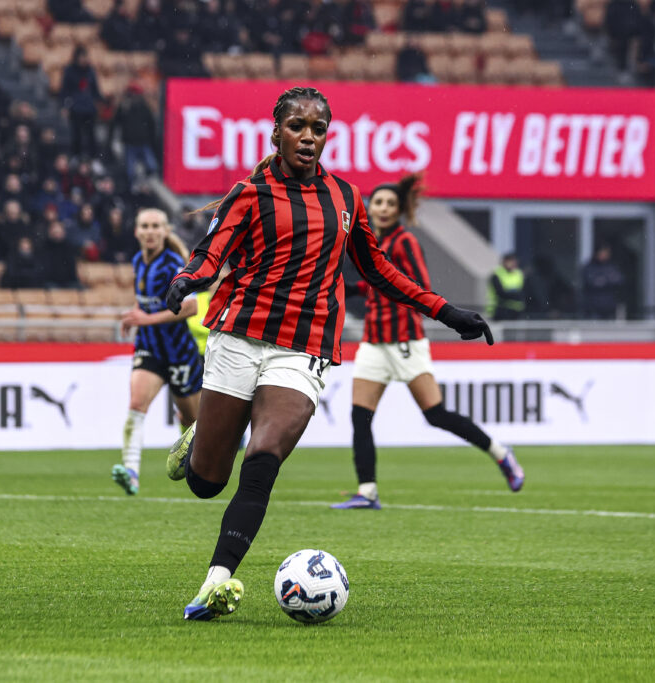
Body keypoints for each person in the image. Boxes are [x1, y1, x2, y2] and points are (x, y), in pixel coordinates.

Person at [161, 87, 494, 621]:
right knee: (206, 482)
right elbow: (210, 254)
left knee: (264, 457)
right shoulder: (250, 193)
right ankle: (200, 438)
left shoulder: (345, 198)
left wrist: (446, 310)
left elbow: (378, 268)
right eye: (298, 126)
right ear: (276, 132)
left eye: (318, 128)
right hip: (239, 335)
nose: (309, 137)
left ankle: (216, 581)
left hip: (305, 347)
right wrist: (187, 281)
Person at [332, 175, 523, 511]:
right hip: (374, 343)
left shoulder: (405, 242)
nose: (384, 208)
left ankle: (501, 454)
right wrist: (354, 289)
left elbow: (417, 285)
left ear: (399, 210)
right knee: (360, 417)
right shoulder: (372, 243)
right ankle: (367, 491)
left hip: (405, 341)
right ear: (369, 207)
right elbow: (380, 285)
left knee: (436, 415)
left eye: (391, 203)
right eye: (378, 202)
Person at [110, 208, 203, 496]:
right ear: (137, 232)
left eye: (155, 226)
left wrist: (145, 319)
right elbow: (150, 304)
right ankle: (131, 471)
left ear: (165, 231)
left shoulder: (174, 264)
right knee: (137, 404)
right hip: (150, 347)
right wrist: (136, 315)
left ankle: (194, 469)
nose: (150, 231)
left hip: (179, 351)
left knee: (192, 421)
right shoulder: (138, 261)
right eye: (145, 226)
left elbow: (192, 306)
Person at [580, 243, 624, 320]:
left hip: (609, 308)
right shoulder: (590, 267)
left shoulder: (611, 266)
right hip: (593, 308)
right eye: (603, 252)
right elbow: (593, 282)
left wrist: (603, 280)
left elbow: (619, 280)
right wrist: (608, 279)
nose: (605, 255)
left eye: (607, 253)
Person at [486, 252, 525, 321]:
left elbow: (523, 292)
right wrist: (516, 294)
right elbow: (501, 293)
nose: (513, 263)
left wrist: (511, 293)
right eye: (510, 261)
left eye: (514, 261)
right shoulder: (497, 274)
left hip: (516, 311)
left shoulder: (519, 274)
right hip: (499, 310)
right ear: (504, 262)